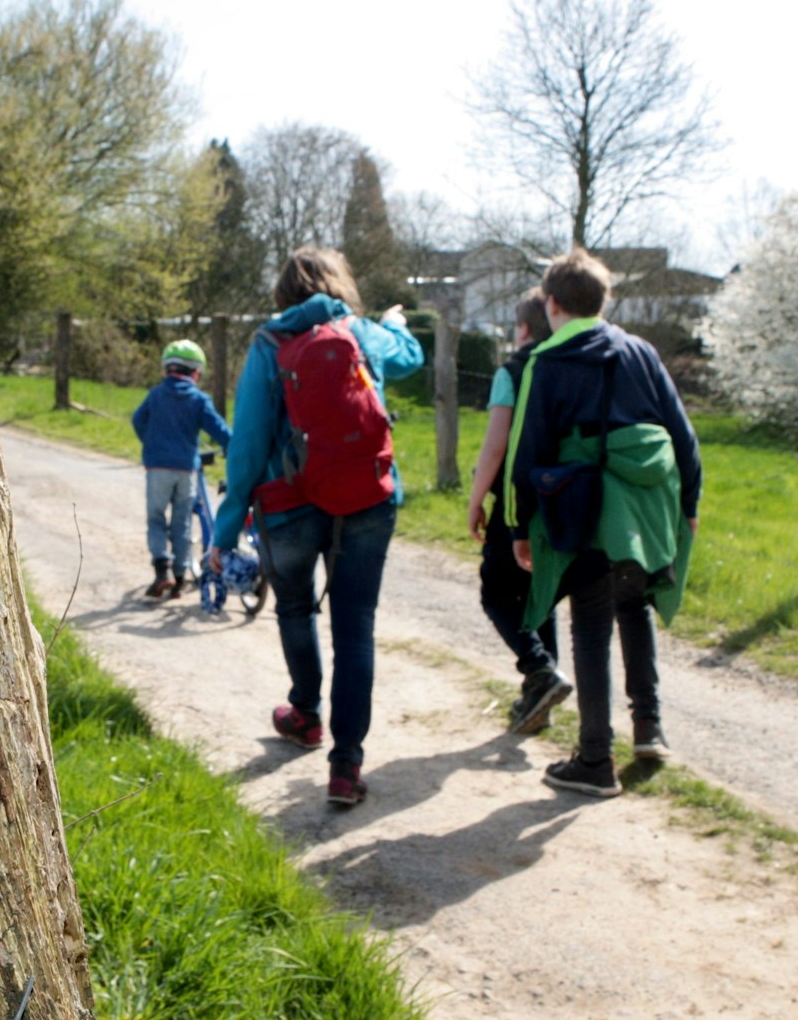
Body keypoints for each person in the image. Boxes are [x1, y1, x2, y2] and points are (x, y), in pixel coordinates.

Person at [206, 247, 423, 807]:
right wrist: (394, 323)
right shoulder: (362, 332)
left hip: (290, 504)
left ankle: (305, 715)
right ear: (339, 284)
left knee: (296, 607)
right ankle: (346, 766)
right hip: (368, 501)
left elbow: (249, 445)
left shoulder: (267, 343)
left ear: (282, 293)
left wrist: (224, 531)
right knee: (356, 630)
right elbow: (411, 357)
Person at [507, 248, 701, 797]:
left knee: (589, 623)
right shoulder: (640, 352)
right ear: (604, 301)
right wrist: (690, 501)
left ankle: (594, 760)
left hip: (584, 511)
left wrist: (521, 525)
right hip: (646, 511)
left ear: (551, 304)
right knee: (632, 606)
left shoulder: (546, 360)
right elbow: (682, 432)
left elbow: (529, 448)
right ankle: (649, 728)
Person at [467, 288, 571, 733]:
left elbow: (496, 448)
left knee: (496, 591)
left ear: (524, 328)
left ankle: (540, 670)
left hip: (518, 500)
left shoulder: (513, 370)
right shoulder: (571, 366)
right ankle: (540, 698)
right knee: (538, 594)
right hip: (568, 496)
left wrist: (476, 499)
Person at [131, 339, 231, 599]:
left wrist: (152, 445)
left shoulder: (156, 394)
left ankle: (161, 571)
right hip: (187, 469)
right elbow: (219, 430)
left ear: (168, 368)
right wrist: (236, 448)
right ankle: (179, 578)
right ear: (195, 371)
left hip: (157, 468)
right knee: (182, 521)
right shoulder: (199, 399)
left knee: (156, 517)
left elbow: (138, 420)